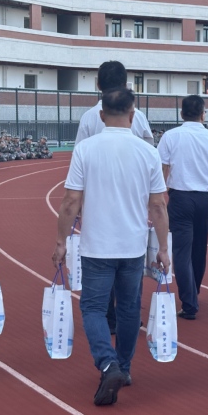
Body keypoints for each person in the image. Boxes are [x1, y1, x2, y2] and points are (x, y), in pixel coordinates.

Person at [53, 88, 169, 406]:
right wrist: (163, 248)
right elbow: (158, 205)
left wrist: (61, 242)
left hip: (96, 246)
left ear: (101, 115)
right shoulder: (148, 152)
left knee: (93, 308)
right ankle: (124, 368)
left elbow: (70, 202)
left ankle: (107, 363)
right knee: (130, 309)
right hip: (132, 246)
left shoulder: (86, 149)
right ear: (133, 115)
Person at [74, 60, 155, 333]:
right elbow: (150, 154)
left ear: (97, 84)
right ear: (126, 83)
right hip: (131, 203)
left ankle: (108, 318)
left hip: (98, 204)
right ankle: (129, 317)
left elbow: (78, 161)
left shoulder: (89, 117)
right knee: (131, 261)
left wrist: (77, 205)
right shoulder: (137, 115)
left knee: (101, 259)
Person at [157, 95, 208, 320]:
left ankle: (189, 302)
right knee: (199, 249)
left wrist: (161, 195)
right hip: (204, 199)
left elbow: (162, 168)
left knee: (181, 251)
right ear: (203, 114)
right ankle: (195, 291)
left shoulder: (171, 136)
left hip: (180, 198)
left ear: (181, 114)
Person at [74, 61, 154, 146]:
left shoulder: (88, 118)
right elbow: (149, 148)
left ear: (98, 85)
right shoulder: (139, 117)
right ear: (125, 85)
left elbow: (80, 149)